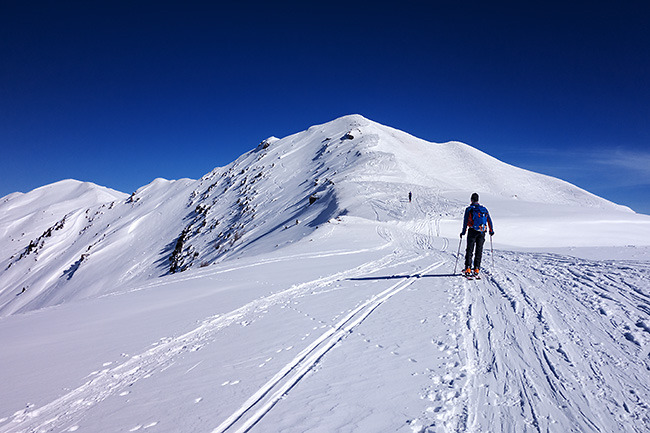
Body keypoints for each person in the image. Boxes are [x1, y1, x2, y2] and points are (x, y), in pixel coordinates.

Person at [460, 193, 494, 278]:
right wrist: (491, 230)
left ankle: (468, 268)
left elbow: (465, 221)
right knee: (479, 250)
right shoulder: (484, 209)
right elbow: (489, 220)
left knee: (469, 250)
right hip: (482, 232)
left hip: (472, 231)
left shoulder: (469, 209)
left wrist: (463, 232)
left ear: (471, 200)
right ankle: (476, 269)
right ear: (478, 200)